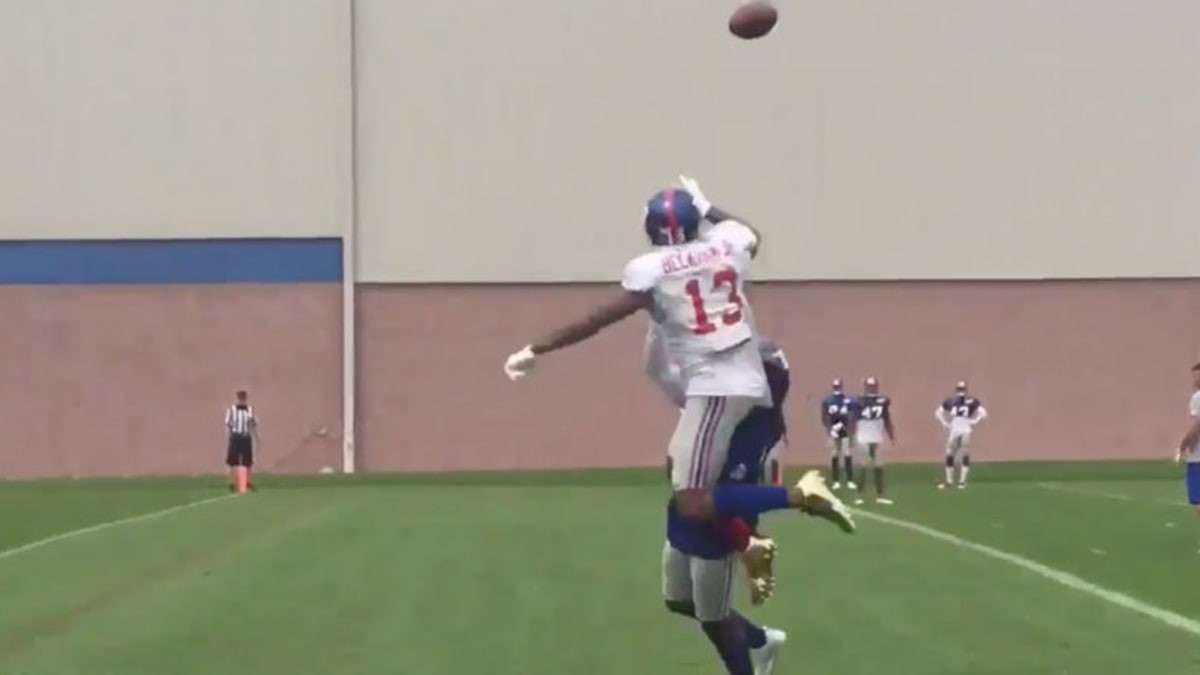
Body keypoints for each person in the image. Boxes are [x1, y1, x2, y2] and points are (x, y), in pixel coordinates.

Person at [502, 174, 853, 535]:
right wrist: (709, 208)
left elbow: (596, 320)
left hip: (716, 387)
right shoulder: (725, 245)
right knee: (683, 473)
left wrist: (536, 348)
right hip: (744, 376)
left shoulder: (650, 271)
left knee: (692, 500)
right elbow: (750, 234)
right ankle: (749, 539)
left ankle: (799, 498)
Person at [650, 327, 791, 675]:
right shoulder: (714, 404)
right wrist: (657, 322)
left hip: (720, 522)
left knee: (714, 618)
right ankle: (761, 639)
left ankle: (751, 658)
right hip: (685, 514)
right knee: (679, 600)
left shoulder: (758, 425)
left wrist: (791, 499)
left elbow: (727, 492)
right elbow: (656, 370)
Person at [935, 381, 987, 489]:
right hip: (965, 429)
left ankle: (952, 482)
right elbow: (984, 413)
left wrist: (944, 423)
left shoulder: (950, 400)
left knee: (952, 453)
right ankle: (960, 482)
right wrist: (974, 421)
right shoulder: (972, 401)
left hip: (956, 429)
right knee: (961, 454)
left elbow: (937, 412)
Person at [852, 376, 894, 505]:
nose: (872, 388)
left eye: (873, 386)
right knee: (863, 467)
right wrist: (850, 435)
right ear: (865, 387)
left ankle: (880, 496)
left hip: (876, 438)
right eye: (869, 386)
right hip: (863, 437)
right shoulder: (858, 401)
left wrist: (891, 434)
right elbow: (852, 419)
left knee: (879, 467)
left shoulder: (883, 401)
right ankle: (859, 495)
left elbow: (887, 418)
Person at [1173, 363, 1200, 521]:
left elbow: (1196, 425)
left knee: (1198, 500)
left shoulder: (1197, 398)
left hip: (1198, 458)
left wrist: (1182, 446)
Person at [820, 379, 857, 490]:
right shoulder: (827, 400)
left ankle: (849, 480)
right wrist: (829, 429)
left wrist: (851, 430)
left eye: (838, 386)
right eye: (835, 387)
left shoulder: (847, 400)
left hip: (844, 429)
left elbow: (852, 416)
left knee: (847, 453)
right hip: (834, 430)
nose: (837, 388)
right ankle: (836, 480)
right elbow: (824, 416)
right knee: (835, 454)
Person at [224, 390, 259, 491]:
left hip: (246, 437)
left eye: (243, 399)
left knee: (247, 461)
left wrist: (256, 437)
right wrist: (228, 437)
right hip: (235, 436)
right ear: (237, 399)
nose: (242, 401)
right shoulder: (231, 410)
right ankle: (232, 482)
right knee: (232, 460)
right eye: (240, 398)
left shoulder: (250, 410)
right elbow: (227, 424)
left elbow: (252, 424)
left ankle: (246, 481)